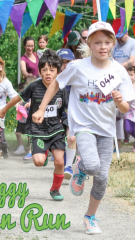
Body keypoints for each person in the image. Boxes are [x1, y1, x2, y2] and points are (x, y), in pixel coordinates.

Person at [32, 21, 135, 234]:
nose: (103, 46)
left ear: (113, 43)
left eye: (107, 42)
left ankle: (90, 217)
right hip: (84, 126)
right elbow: (55, 84)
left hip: (107, 130)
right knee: (92, 165)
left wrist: (118, 101)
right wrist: (42, 108)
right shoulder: (78, 67)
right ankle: (80, 167)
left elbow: (125, 107)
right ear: (89, 43)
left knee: (102, 178)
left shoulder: (119, 72)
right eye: (97, 42)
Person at [0, 49, 68, 201]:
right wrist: (4, 110)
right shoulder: (34, 86)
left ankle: (55, 190)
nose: (48, 73)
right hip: (38, 130)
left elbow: (69, 108)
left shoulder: (62, 88)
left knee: (60, 161)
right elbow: (17, 98)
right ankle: (43, 152)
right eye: (44, 70)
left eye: (52, 70)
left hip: (56, 129)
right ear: (40, 71)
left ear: (58, 71)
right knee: (38, 162)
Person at [113, 28, 135, 144]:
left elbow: (132, 61)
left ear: (127, 34)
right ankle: (122, 136)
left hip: (129, 77)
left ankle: (133, 135)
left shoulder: (134, 43)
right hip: (114, 77)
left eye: (121, 36)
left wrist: (117, 67)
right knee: (118, 109)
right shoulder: (114, 43)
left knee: (129, 107)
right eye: (117, 36)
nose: (119, 39)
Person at [57, 49, 76, 179]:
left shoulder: (77, 76)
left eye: (68, 61)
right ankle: (64, 162)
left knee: (71, 138)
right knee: (58, 142)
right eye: (62, 62)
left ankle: (68, 166)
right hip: (57, 114)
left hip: (73, 113)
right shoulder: (54, 78)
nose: (65, 65)